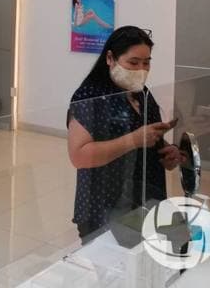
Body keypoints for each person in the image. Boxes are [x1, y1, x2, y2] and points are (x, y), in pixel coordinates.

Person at [67, 26, 180, 243]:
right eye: (133, 63)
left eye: (146, 63)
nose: (141, 70)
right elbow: (79, 156)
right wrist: (133, 140)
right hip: (105, 205)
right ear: (110, 58)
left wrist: (166, 150)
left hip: (145, 198)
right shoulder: (90, 96)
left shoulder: (142, 93)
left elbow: (146, 135)